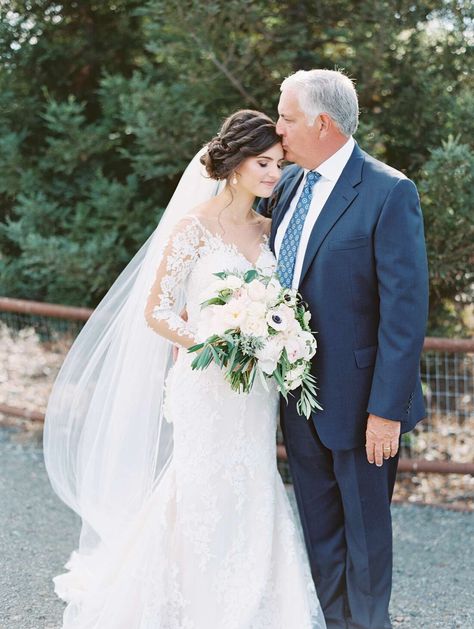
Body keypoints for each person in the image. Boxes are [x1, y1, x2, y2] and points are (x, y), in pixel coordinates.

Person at [43, 109, 326, 628]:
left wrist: (273, 339)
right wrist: (215, 341)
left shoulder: (272, 230)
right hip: (207, 382)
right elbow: (157, 310)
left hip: (254, 387)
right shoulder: (191, 229)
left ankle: (251, 604)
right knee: (198, 486)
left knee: (254, 481)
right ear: (236, 163)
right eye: (263, 162)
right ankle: (182, 603)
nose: (273, 174)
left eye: (279, 164)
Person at [258, 70, 429, 629]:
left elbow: (404, 315)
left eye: (285, 116)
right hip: (297, 395)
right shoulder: (285, 186)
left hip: (362, 405)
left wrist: (386, 412)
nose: (276, 127)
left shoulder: (388, 191)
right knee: (320, 530)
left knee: (365, 535)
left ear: (322, 123)